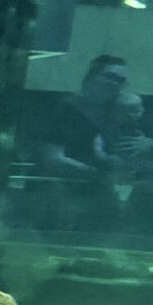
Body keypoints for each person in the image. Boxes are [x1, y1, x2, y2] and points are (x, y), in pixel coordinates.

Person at [38, 55, 131, 231]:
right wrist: (98, 174)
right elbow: (52, 159)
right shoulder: (65, 110)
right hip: (60, 196)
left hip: (102, 199)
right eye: (110, 77)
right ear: (90, 77)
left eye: (121, 80)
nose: (115, 84)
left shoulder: (116, 114)